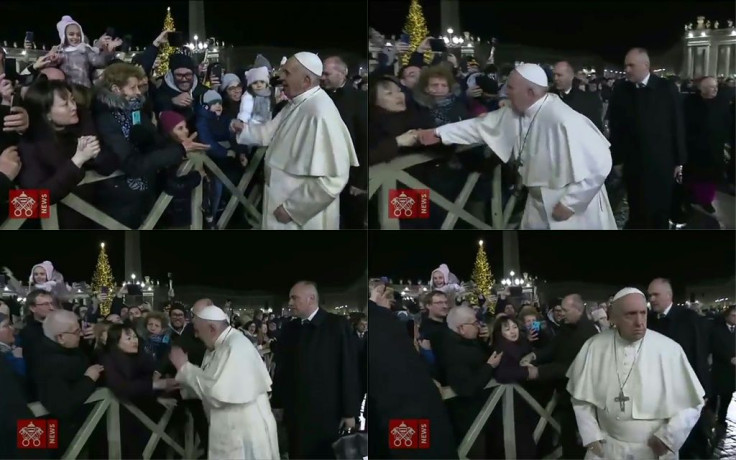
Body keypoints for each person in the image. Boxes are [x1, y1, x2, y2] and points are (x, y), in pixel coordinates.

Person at [417, 63, 616, 230]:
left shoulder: (563, 118)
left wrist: (572, 203)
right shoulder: (517, 110)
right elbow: (479, 126)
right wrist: (439, 133)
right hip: (537, 201)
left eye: (510, 88)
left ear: (530, 92)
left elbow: (600, 162)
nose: (505, 92)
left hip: (570, 206)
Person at [567, 288, 705, 459]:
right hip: (607, 449)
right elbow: (580, 399)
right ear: (613, 317)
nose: (639, 322)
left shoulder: (669, 350)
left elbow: (692, 403)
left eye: (643, 313)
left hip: (653, 450)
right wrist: (591, 436)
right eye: (630, 314)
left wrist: (668, 437)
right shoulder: (594, 347)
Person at [231, 52, 359, 230]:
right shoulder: (297, 103)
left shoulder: (320, 112)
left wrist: (294, 209)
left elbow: (334, 177)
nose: (280, 77)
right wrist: (244, 130)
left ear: (306, 80)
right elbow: (269, 132)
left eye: (287, 73)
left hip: (301, 218)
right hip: (281, 207)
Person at [169, 305, 279, 460]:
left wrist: (185, 369)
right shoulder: (218, 346)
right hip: (232, 431)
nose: (196, 335)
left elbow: (217, 393)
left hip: (242, 434)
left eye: (198, 330)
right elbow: (208, 380)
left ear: (212, 328)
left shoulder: (235, 346)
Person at [271, 281, 360, 458]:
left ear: (311, 298)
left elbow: (349, 369)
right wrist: (278, 403)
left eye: (294, 298)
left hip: (326, 414)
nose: (290, 303)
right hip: (295, 412)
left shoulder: (337, 325)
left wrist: (350, 412)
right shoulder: (290, 328)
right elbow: (282, 369)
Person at [607, 48, 686, 229]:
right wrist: (617, 160)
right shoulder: (621, 90)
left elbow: (677, 125)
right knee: (636, 207)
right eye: (625, 65)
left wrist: (679, 161)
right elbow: (616, 129)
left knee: (659, 210)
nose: (626, 69)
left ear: (646, 66)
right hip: (633, 163)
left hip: (662, 163)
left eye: (631, 65)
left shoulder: (667, 88)